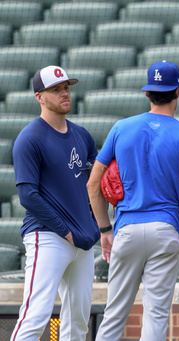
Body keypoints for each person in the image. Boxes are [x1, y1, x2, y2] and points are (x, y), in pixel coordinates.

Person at [87, 60, 179, 341]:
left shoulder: (121, 128)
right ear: (178, 92)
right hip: (165, 231)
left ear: (147, 93)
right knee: (156, 317)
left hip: (127, 229)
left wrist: (104, 229)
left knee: (114, 315)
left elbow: (93, 183)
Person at [10, 65, 100, 341]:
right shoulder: (29, 138)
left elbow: (96, 185)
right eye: (56, 89)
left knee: (78, 324)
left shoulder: (82, 135)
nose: (64, 93)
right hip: (48, 236)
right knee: (35, 318)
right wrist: (66, 231)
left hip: (82, 243)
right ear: (40, 97)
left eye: (66, 87)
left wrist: (95, 227)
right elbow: (28, 196)